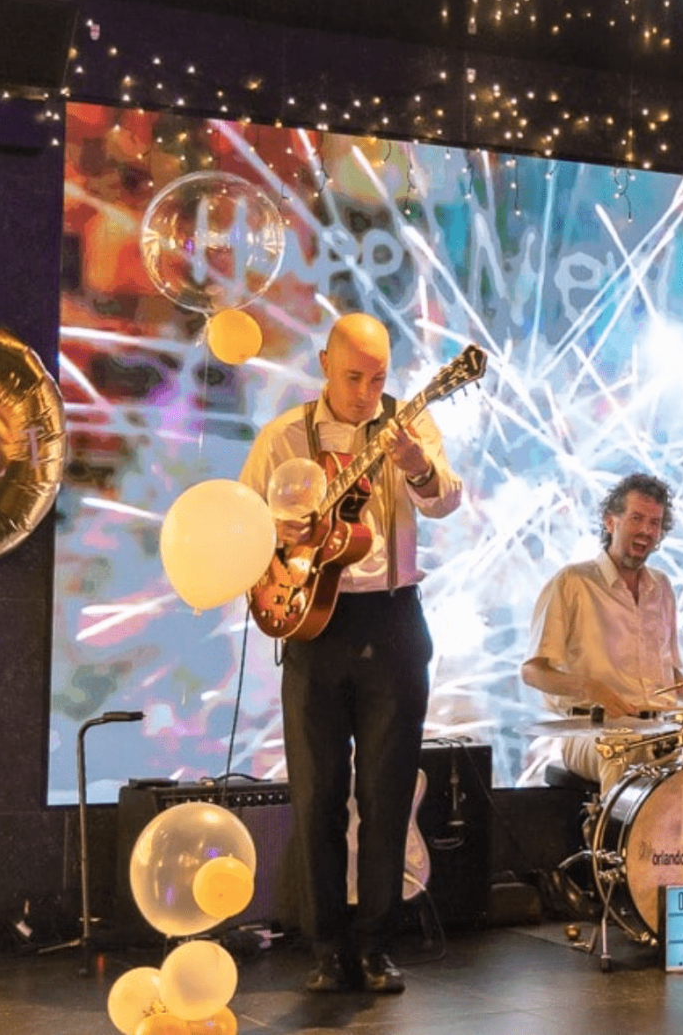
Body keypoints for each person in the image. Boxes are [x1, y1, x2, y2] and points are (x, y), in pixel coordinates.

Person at [239, 313, 464, 993]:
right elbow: (243, 523)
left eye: (378, 379)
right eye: (353, 378)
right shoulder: (285, 436)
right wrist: (279, 529)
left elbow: (447, 502)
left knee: (388, 793)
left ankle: (375, 946)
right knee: (318, 792)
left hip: (395, 621)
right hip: (314, 624)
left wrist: (418, 466)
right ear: (324, 366)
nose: (367, 394)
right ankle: (325, 945)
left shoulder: (409, 424)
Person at [519, 472, 683, 791]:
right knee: (618, 747)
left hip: (659, 728)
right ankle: (615, 840)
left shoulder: (662, 587)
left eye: (654, 523)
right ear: (610, 522)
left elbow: (672, 677)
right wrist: (589, 688)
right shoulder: (572, 582)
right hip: (591, 733)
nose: (646, 530)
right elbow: (532, 672)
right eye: (636, 518)